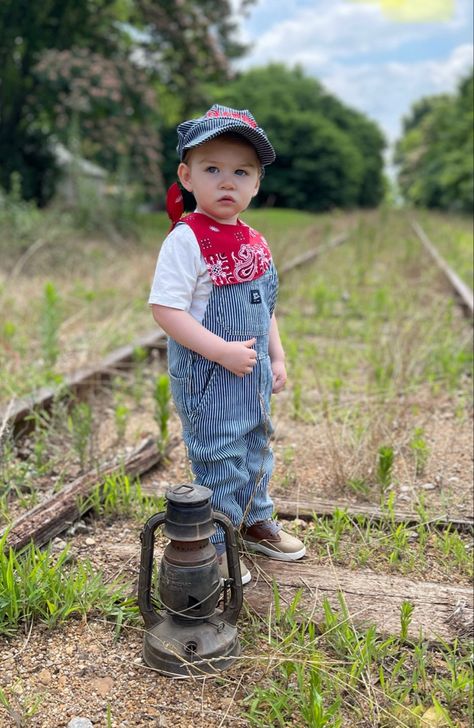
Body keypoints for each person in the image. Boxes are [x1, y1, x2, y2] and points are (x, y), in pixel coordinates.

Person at [149, 104, 305, 584]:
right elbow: (166, 310)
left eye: (241, 172)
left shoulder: (255, 240)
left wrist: (276, 355)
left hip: (251, 371)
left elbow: (265, 306)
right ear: (187, 176)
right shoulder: (186, 240)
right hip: (210, 377)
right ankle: (213, 545)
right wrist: (220, 350)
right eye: (212, 169)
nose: (227, 182)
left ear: (257, 183)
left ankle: (255, 518)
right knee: (218, 454)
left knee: (257, 444)